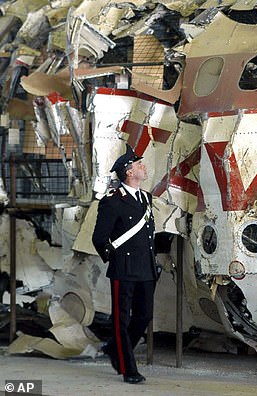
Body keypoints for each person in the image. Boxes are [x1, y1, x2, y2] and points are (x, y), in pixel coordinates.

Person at [92, 144, 158, 384]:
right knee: (122, 320)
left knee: (144, 316)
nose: (143, 166)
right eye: (139, 164)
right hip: (125, 269)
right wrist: (116, 260)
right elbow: (99, 238)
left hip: (146, 268)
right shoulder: (112, 201)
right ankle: (128, 368)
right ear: (129, 172)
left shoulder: (146, 198)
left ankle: (113, 348)